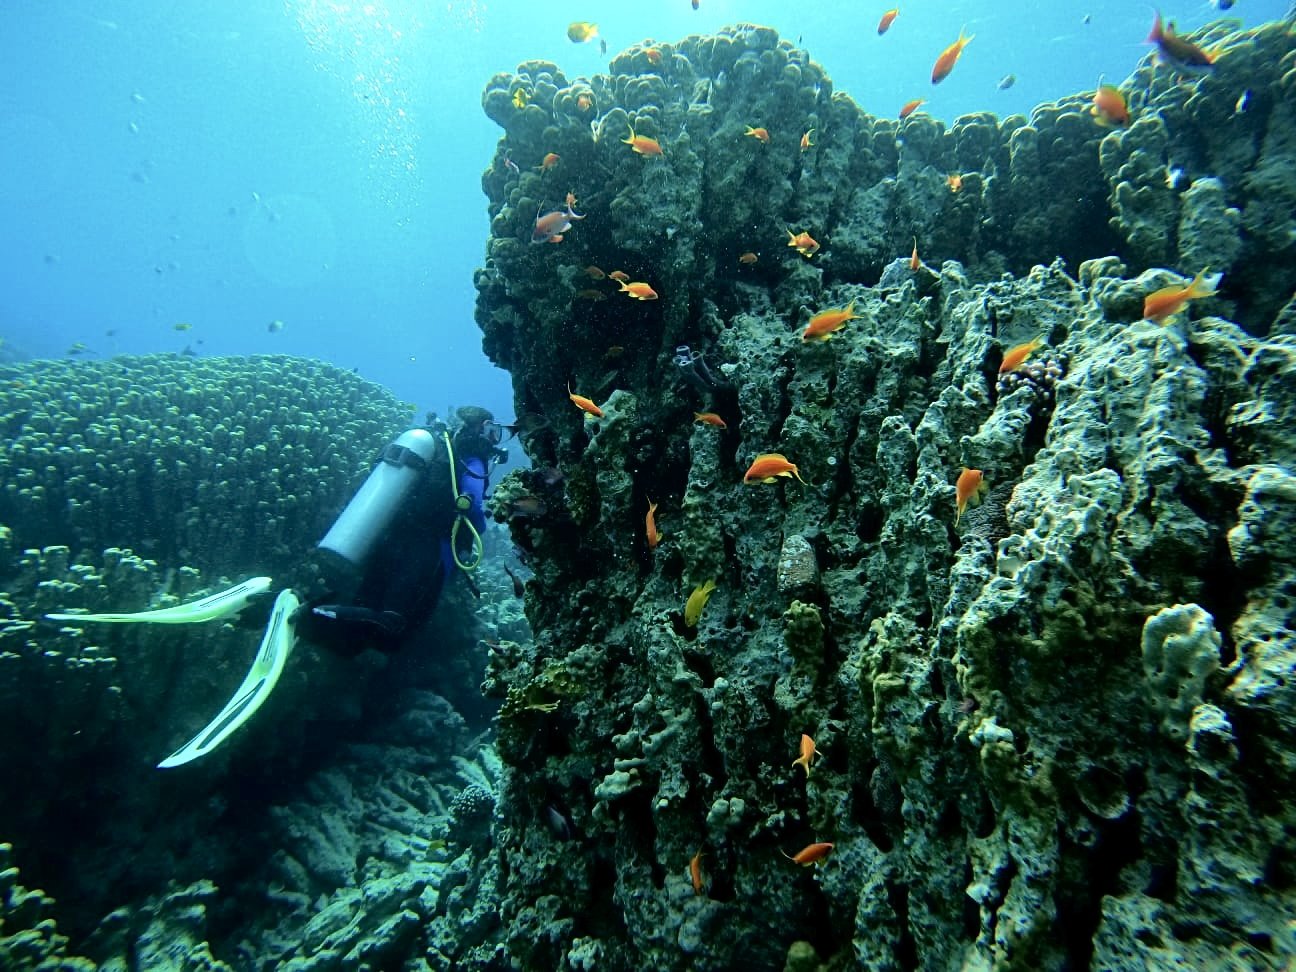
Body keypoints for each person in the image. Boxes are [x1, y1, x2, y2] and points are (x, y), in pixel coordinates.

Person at [44, 406, 508, 768]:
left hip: (387, 545)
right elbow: (476, 518)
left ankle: (267, 604)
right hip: (420, 554)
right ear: (478, 430)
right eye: (492, 433)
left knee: (358, 631)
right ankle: (293, 613)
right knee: (392, 629)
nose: (495, 442)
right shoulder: (466, 457)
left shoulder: (431, 451)